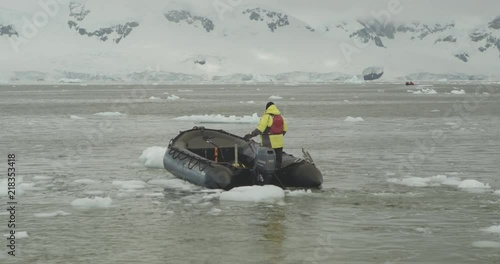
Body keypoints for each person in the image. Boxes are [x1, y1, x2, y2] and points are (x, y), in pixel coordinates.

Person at [244, 102, 288, 170]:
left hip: (269, 144)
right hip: (279, 143)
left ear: (267, 108)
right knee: (278, 162)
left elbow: (259, 129)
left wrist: (249, 135)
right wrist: (278, 137)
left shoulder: (266, 117)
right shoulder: (280, 117)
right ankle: (279, 173)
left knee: (269, 161)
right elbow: (285, 129)